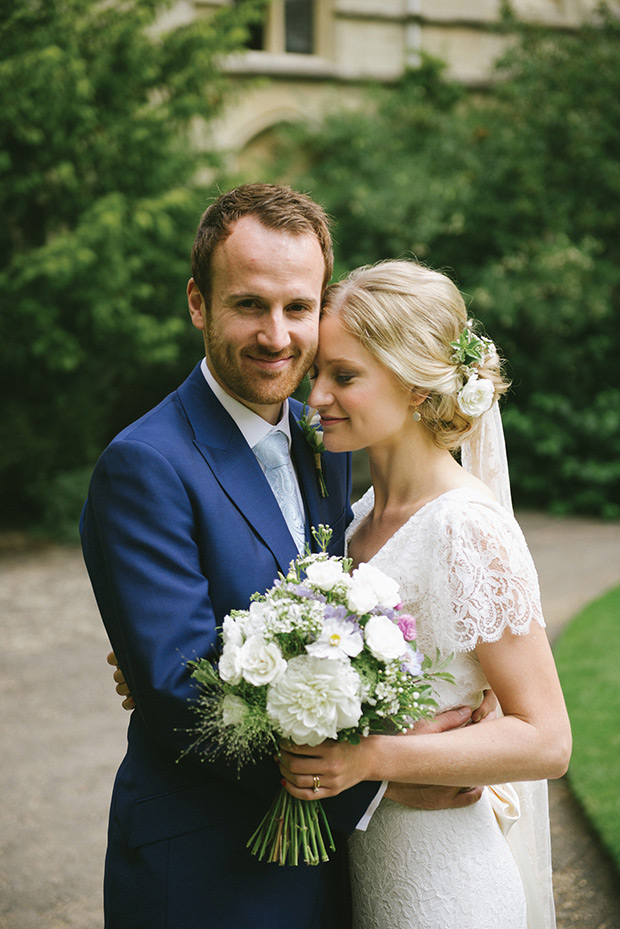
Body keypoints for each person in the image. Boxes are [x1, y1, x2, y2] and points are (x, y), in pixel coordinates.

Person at [81, 185, 491, 929]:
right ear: (198, 303)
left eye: (298, 307)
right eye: (248, 304)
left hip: (337, 871)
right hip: (212, 874)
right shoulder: (143, 465)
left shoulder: (325, 438)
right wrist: (383, 776)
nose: (277, 335)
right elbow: (181, 694)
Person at [277, 259, 572, 929]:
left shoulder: (467, 526)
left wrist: (371, 759)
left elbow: (548, 738)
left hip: (448, 889)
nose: (315, 395)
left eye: (343, 375)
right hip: (370, 874)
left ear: (415, 387)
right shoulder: (359, 517)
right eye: (319, 371)